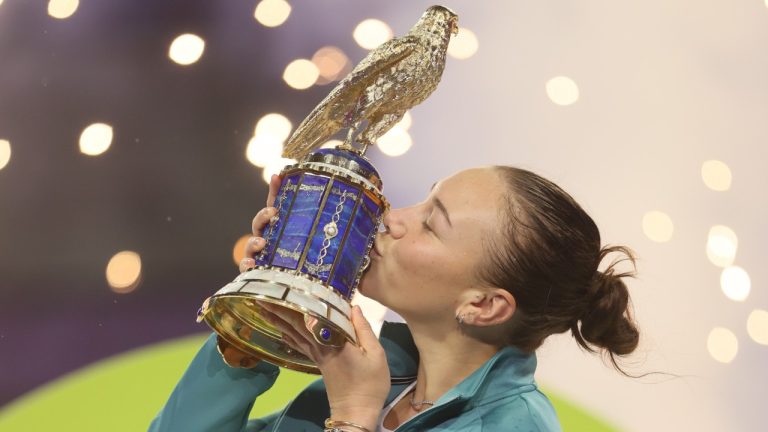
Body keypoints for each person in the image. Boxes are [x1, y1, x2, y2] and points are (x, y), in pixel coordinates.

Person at [149, 166, 640, 432]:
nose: (392, 216)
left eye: (431, 223)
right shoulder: (380, 379)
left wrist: (354, 419)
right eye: (425, 199)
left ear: (484, 305)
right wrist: (259, 322)